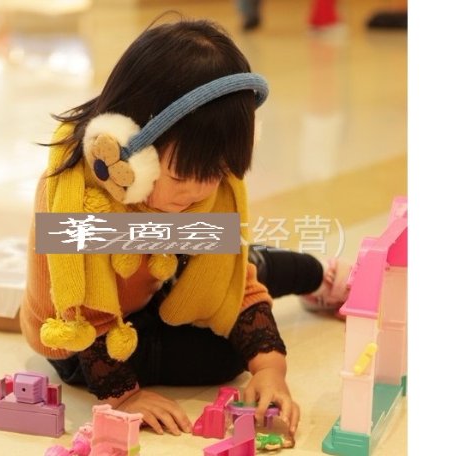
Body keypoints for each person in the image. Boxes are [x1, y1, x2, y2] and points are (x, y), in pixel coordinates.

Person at [20, 18, 350, 438]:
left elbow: (235, 282)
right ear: (131, 154)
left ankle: (318, 276)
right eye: (180, 177)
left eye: (216, 174)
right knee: (220, 359)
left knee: (244, 265)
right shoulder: (72, 195)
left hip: (157, 277)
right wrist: (124, 396)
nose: (199, 192)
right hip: (85, 337)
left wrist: (271, 370)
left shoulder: (200, 186)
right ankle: (296, 272)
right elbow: (87, 314)